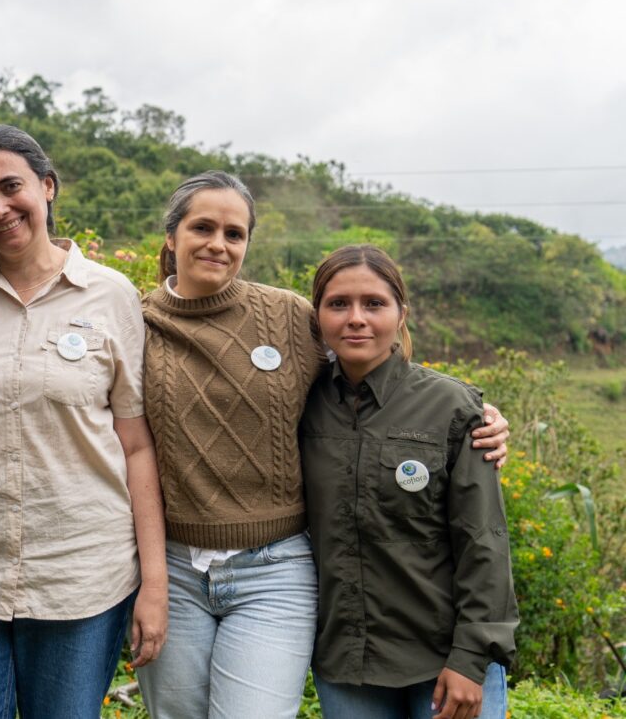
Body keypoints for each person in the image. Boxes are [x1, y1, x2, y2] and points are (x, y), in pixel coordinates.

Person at [135, 172, 510, 718]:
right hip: (218, 591)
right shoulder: (135, 323)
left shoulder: (293, 320)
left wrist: (478, 414)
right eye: (203, 228)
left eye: (234, 233)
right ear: (171, 236)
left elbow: (482, 537)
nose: (218, 243)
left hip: (301, 583)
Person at [0, 123, 167, 717]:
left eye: (12, 187)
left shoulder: (110, 295)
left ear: (48, 186)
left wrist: (155, 585)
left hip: (82, 575)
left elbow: (136, 445)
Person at [301, 244, 516, 719]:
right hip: (347, 664)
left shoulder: (452, 408)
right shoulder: (299, 403)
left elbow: (483, 540)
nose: (356, 318)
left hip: (445, 659)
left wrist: (471, 657)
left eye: (374, 303)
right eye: (338, 304)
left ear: (401, 314)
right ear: (317, 316)